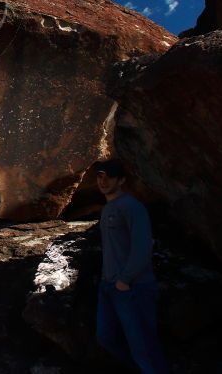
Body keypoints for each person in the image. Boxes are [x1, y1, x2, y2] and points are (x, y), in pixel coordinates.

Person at [94, 159, 169, 374]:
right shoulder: (108, 209)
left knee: (144, 348)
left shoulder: (132, 207)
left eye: (109, 177)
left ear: (122, 180)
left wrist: (124, 280)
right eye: (100, 176)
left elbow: (142, 248)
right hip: (109, 287)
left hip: (133, 288)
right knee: (106, 338)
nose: (104, 181)